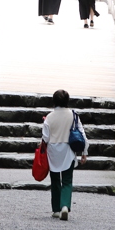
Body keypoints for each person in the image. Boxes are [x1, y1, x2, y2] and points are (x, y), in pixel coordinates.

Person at [40, 87, 88, 220]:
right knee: (67, 180)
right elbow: (82, 134)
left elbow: (45, 137)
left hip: (53, 151)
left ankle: (56, 209)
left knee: (55, 179)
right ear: (67, 101)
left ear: (54, 101)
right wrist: (84, 152)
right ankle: (65, 206)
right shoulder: (73, 115)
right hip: (68, 150)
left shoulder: (49, 117)